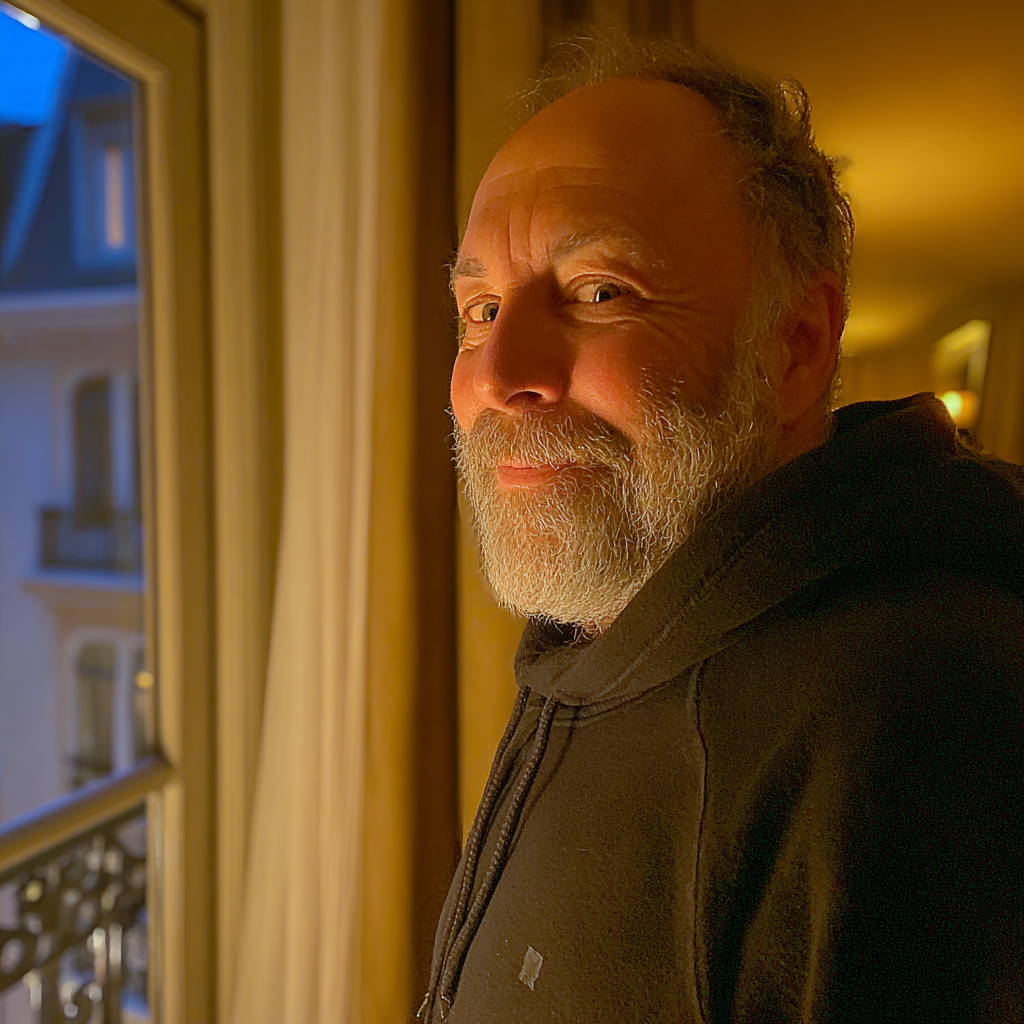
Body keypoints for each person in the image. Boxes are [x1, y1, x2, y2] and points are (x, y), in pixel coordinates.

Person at [419, 32, 1024, 1024]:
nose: (494, 374)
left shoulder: (920, 733)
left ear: (791, 346)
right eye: (480, 307)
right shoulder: (617, 611)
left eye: (599, 291)